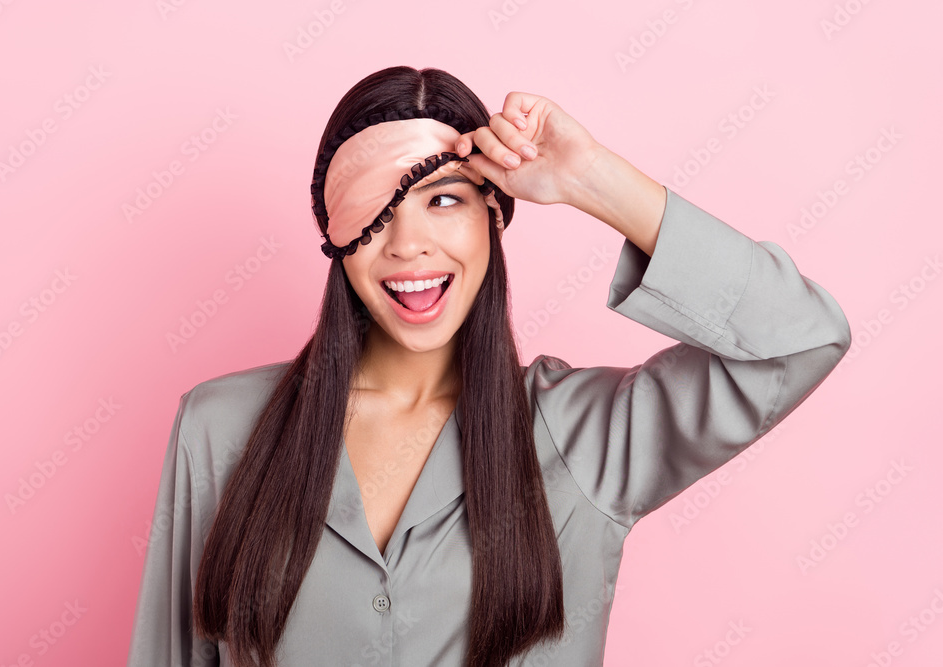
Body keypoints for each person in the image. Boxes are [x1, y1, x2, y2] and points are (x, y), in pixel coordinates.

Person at [126, 66, 851, 667]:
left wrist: (592, 179)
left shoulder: (584, 437)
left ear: (494, 215)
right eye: (378, 212)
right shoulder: (219, 429)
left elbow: (802, 339)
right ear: (336, 235)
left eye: (445, 200)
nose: (410, 245)